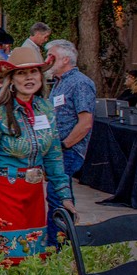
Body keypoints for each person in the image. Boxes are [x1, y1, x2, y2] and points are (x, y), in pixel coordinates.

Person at [0, 45, 75, 257]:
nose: (29, 78)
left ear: (41, 76)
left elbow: (53, 158)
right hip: (5, 191)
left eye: (33, 72)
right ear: (11, 80)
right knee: (8, 256)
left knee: (34, 255)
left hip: (33, 194)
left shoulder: (46, 109)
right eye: (22, 73)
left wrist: (65, 197)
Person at [45, 40, 95, 241]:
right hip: (58, 149)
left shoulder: (80, 83)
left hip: (68, 150)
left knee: (59, 196)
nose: (47, 60)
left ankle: (58, 245)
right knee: (59, 196)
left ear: (65, 59)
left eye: (51, 56)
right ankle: (61, 244)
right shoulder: (59, 83)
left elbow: (85, 123)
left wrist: (65, 145)